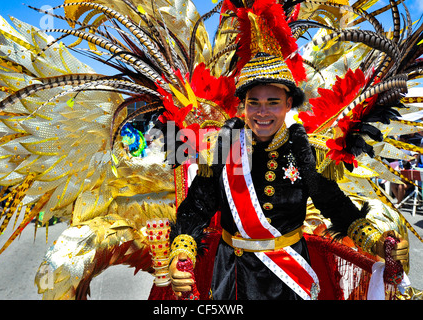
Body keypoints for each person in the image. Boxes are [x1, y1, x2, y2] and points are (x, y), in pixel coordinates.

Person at [167, 52, 409, 300]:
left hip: (288, 280)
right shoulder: (224, 147)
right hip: (233, 276)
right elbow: (196, 208)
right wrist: (181, 252)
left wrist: (377, 242)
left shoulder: (304, 151)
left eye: (273, 102)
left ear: (288, 104)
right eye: (254, 103)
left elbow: (335, 205)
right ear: (243, 106)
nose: (262, 112)